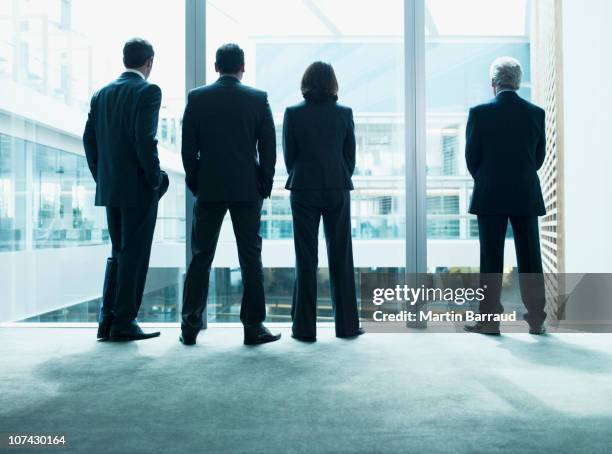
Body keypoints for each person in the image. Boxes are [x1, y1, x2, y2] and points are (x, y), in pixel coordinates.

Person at [180, 43, 280, 346]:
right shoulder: (258, 99)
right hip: (247, 188)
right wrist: (265, 183)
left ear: (215, 66)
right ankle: (253, 327)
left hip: (209, 187)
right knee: (250, 258)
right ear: (243, 67)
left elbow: (188, 148)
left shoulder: (197, 98)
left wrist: (197, 181)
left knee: (200, 258)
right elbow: (269, 148)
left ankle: (190, 327)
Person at [83, 38, 169, 341]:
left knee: (119, 251)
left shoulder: (101, 94)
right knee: (135, 254)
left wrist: (102, 176)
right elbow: (145, 139)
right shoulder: (148, 91)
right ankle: (124, 322)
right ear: (149, 62)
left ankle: (107, 320)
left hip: (112, 187)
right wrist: (155, 177)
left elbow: (89, 140)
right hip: (138, 188)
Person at [464, 56, 547, 335]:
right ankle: (536, 319)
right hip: (525, 193)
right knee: (531, 258)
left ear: (493, 84)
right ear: (519, 82)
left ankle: (489, 322)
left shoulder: (478, 113)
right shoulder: (536, 114)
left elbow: (471, 158)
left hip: (490, 194)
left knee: (491, 259)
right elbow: (538, 158)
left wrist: (488, 178)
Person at [283, 61, 363, 342]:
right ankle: (347, 327)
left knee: (305, 258)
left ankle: (304, 329)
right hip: (336, 186)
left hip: (303, 187)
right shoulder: (344, 113)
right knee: (341, 255)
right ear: (333, 84)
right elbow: (349, 155)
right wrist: (338, 175)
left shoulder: (292, 113)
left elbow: (289, 157)